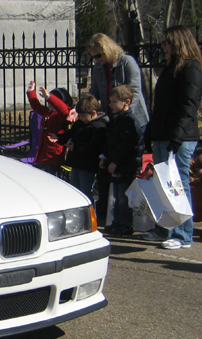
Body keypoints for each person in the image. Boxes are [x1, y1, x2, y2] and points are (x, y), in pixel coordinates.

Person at [145, 25, 202, 250]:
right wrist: (151, 130)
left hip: (180, 136)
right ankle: (164, 228)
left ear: (179, 43)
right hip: (163, 133)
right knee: (163, 184)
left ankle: (183, 234)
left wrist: (177, 136)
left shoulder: (191, 68)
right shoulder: (170, 68)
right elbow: (160, 105)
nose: (163, 47)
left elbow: (189, 105)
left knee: (178, 185)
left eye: (167, 42)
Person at [86, 33, 148, 223]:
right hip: (110, 121)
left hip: (130, 119)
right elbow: (94, 94)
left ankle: (129, 218)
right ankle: (113, 217)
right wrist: (85, 108)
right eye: (94, 57)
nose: (97, 60)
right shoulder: (98, 68)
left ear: (107, 50)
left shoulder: (126, 62)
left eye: (99, 56)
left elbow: (135, 91)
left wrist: (123, 111)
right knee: (111, 174)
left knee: (126, 169)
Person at [99, 85, 141, 236]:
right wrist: (104, 156)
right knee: (116, 196)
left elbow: (126, 145)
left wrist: (115, 162)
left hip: (125, 166)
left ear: (126, 102)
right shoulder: (117, 120)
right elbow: (110, 141)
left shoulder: (128, 121)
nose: (111, 105)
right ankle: (117, 221)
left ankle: (125, 223)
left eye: (114, 102)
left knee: (123, 197)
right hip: (116, 164)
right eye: (110, 102)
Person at [60, 94, 108, 206]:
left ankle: (91, 217)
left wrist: (75, 147)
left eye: (82, 116)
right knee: (75, 191)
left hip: (87, 166)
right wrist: (59, 138)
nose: (80, 119)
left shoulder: (98, 127)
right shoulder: (80, 124)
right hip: (77, 163)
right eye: (79, 116)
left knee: (86, 193)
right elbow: (69, 134)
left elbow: (94, 147)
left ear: (93, 113)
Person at [26, 80, 76, 175]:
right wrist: (31, 91)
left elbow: (62, 108)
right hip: (44, 154)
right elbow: (36, 106)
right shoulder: (48, 112)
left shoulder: (63, 115)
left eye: (52, 101)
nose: (49, 103)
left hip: (54, 156)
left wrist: (50, 97)